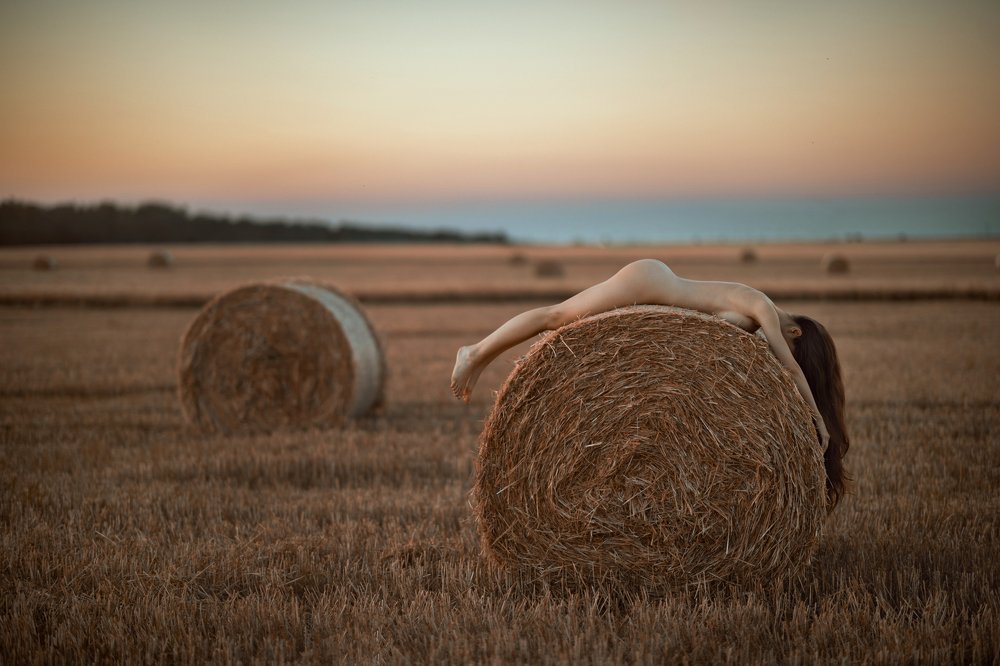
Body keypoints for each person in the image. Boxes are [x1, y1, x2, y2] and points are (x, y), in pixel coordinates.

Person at [451, 258, 849, 507]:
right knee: (557, 317)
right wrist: (815, 416)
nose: (777, 348)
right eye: (788, 345)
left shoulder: (753, 313)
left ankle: (478, 352)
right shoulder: (762, 306)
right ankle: (476, 352)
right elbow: (790, 370)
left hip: (658, 290)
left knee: (559, 318)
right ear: (795, 333)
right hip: (647, 281)